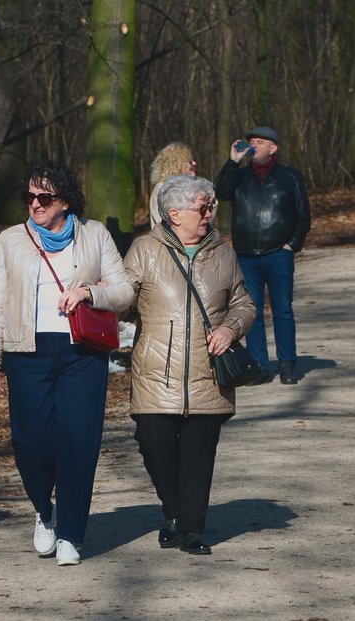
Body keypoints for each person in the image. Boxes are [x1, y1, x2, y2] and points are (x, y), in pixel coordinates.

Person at [0, 161, 134, 566]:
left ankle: (70, 533)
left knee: (79, 441)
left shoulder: (94, 234)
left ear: (64, 201)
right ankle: (44, 512)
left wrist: (88, 293)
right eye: (28, 197)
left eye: (43, 197)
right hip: (26, 352)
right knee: (30, 442)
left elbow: (123, 291)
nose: (34, 204)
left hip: (82, 353)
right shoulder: (10, 241)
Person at [124, 174, 255, 555]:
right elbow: (121, 297)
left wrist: (231, 329)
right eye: (203, 207)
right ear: (174, 213)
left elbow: (244, 304)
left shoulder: (224, 253)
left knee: (199, 455)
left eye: (212, 206)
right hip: (155, 371)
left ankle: (193, 530)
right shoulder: (144, 249)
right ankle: (174, 511)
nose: (210, 213)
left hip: (209, 374)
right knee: (152, 444)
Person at [214, 126, 311, 385]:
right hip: (246, 255)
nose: (254, 146)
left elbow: (303, 216)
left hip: (279, 254)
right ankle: (259, 365)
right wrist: (232, 162)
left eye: (259, 141)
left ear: (273, 148)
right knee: (251, 312)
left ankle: (288, 363)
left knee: (283, 310)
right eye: (251, 142)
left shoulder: (290, 177)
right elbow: (220, 192)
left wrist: (292, 244)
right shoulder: (239, 176)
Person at [148, 142, 198, 229]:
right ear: (177, 164)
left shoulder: (190, 188)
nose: (194, 163)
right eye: (189, 161)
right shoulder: (162, 189)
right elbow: (167, 227)